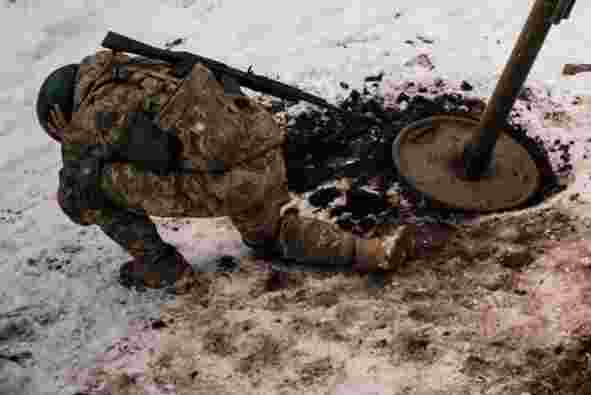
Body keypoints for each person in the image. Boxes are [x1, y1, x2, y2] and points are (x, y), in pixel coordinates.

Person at [37, 50, 414, 291]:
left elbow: (76, 205)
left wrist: (73, 143)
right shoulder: (137, 66)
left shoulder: (91, 114)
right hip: (263, 156)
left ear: (59, 113)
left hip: (224, 179)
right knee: (271, 236)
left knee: (95, 188)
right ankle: (368, 251)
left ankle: (161, 267)